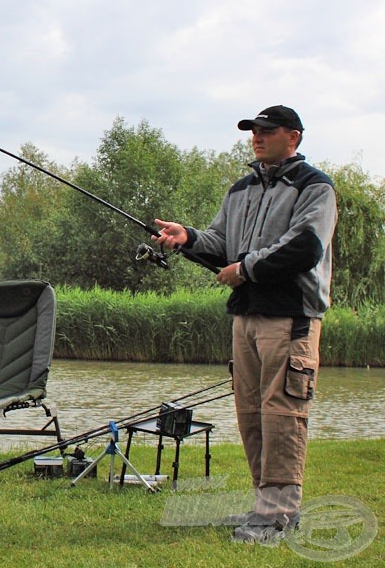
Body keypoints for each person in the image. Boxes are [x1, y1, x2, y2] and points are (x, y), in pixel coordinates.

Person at [152, 105, 337, 544]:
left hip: (291, 316)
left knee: (283, 413)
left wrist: (247, 269)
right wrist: (188, 238)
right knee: (250, 412)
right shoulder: (240, 189)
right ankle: (264, 503)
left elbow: (304, 247)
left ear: (293, 137)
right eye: (254, 131)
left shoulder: (315, 187)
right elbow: (221, 245)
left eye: (267, 131)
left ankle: (279, 512)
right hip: (246, 315)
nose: (257, 137)